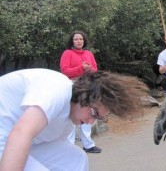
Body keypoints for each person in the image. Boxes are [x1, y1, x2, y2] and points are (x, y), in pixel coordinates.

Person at [0, 69, 147, 170]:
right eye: (94, 113)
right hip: (9, 136)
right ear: (83, 95)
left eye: (99, 118)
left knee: (75, 158)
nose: (91, 121)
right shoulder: (56, 89)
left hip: (15, 139)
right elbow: (21, 133)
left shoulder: (67, 122)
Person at [60, 30, 101, 154]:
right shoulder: (67, 53)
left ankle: (88, 144)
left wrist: (89, 69)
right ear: (72, 41)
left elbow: (95, 70)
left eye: (81, 39)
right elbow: (65, 71)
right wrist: (81, 68)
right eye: (76, 39)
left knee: (87, 114)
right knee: (73, 114)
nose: (79, 41)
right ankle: (69, 146)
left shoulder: (88, 53)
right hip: (73, 85)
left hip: (87, 85)